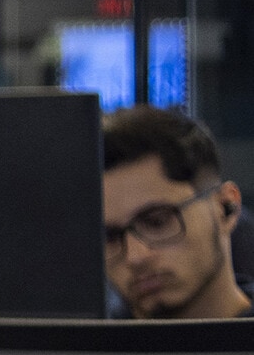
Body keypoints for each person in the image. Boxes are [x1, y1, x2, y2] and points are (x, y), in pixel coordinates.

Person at [101, 105, 249, 320]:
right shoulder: (76, 350)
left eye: (157, 222)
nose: (135, 257)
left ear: (226, 207)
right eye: (110, 237)